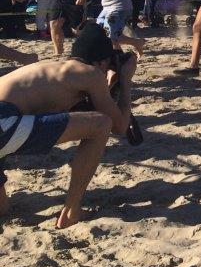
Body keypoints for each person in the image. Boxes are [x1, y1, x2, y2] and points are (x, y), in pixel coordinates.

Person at [0, 23, 136, 228]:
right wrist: (125, 82)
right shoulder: (89, 73)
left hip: (5, 121)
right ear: (103, 62)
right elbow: (119, 126)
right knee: (101, 125)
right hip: (4, 122)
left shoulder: (53, 69)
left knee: (2, 209)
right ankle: (72, 210)